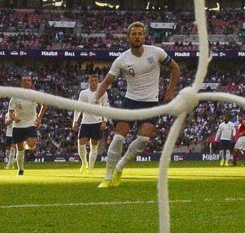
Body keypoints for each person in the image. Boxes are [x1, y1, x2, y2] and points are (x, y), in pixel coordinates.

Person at [91, 21, 180, 189]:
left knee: (144, 139)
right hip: (130, 101)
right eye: (134, 34)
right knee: (118, 137)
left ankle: (120, 167)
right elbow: (105, 83)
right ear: (128, 37)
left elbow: (175, 68)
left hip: (151, 103)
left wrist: (169, 92)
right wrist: (95, 100)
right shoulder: (122, 60)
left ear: (144, 36)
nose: (137, 37)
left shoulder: (156, 53)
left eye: (140, 34)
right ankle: (108, 177)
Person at [7, 75, 46, 177]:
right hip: (18, 125)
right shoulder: (15, 96)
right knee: (20, 149)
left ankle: (27, 146)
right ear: (21, 83)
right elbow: (10, 113)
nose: (27, 82)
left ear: (31, 82)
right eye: (24, 80)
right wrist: (15, 119)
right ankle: (21, 169)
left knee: (32, 144)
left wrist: (39, 118)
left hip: (30, 124)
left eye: (28, 80)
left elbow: (45, 105)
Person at [72, 74, 109, 173]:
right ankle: (84, 163)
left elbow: (106, 107)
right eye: (92, 80)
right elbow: (78, 107)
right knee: (81, 143)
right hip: (85, 122)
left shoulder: (103, 93)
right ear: (89, 82)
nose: (93, 82)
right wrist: (75, 120)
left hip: (97, 122)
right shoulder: (83, 93)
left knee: (94, 145)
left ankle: (91, 167)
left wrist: (104, 120)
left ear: (98, 81)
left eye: (95, 80)